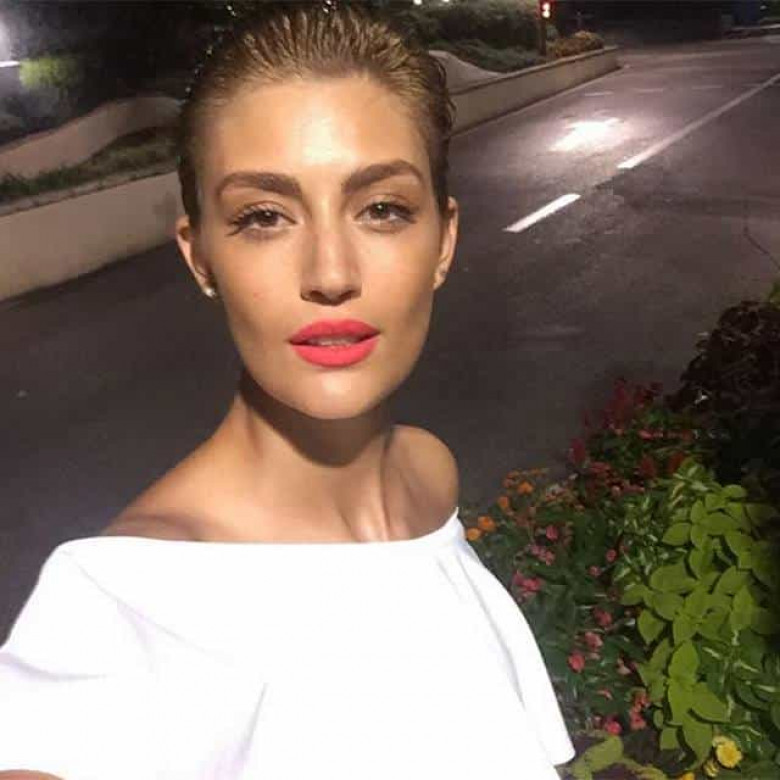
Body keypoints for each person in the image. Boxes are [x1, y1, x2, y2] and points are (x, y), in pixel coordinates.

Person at [0, 2, 576, 777]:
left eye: (382, 209)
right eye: (265, 217)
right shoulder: (124, 604)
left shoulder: (426, 476)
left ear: (443, 241)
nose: (330, 273)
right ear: (200, 256)